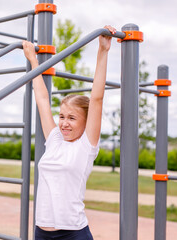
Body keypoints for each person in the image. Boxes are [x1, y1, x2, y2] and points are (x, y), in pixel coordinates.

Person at [22, 25, 116, 240]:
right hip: (41, 232)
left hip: (73, 233)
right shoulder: (55, 140)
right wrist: (33, 61)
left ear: (86, 122)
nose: (64, 123)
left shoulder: (86, 146)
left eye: (72, 118)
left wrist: (103, 50)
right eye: (62, 116)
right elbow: (43, 100)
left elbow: (97, 99)